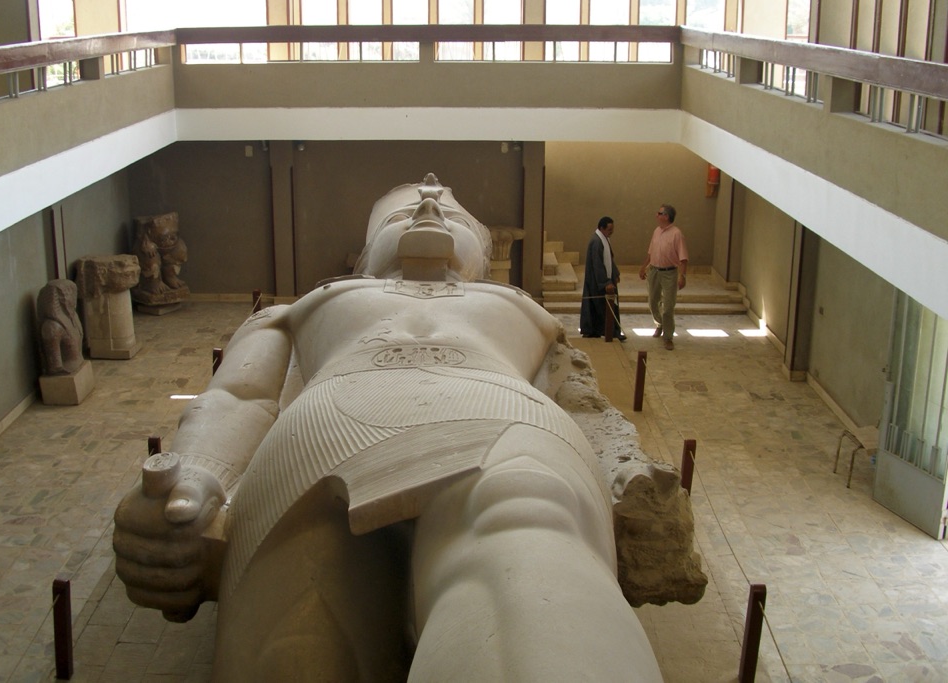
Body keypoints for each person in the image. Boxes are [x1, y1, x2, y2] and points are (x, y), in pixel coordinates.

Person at [113, 174, 663, 682]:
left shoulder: (518, 306)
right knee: (297, 637)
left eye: (449, 213)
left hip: (499, 420)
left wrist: (632, 485)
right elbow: (239, 396)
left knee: (527, 543)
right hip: (319, 442)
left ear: (483, 256)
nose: (428, 203)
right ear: (365, 255)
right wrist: (196, 481)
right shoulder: (307, 305)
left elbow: (585, 407)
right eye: (402, 215)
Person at [638, 204, 688, 351]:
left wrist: (682, 276)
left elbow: (683, 258)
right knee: (653, 302)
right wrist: (643, 267)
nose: (656, 215)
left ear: (666, 216)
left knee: (668, 306)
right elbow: (650, 252)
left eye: (659, 213)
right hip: (654, 271)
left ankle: (668, 337)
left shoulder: (677, 234)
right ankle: (659, 324)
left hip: (669, 273)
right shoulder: (656, 231)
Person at [580, 216, 626, 341]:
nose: (612, 232)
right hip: (597, 282)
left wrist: (615, 273)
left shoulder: (605, 238)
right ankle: (608, 331)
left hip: (604, 279)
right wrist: (605, 282)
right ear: (602, 228)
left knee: (604, 307)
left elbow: (609, 259)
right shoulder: (596, 241)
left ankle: (607, 330)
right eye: (610, 229)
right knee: (601, 307)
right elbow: (598, 264)